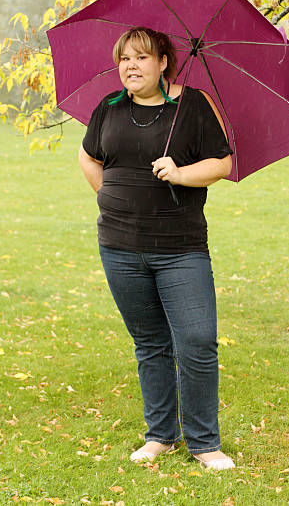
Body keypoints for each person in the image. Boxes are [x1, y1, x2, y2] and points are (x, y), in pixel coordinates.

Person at [79, 27, 235, 470]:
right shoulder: (108, 107)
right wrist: (107, 197)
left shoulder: (193, 105)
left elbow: (222, 163)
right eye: (124, 58)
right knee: (149, 343)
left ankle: (205, 443)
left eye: (141, 57)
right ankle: (161, 436)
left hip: (180, 248)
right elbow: (88, 155)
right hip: (119, 247)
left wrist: (180, 173)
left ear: (164, 62)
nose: (130, 65)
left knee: (197, 339)